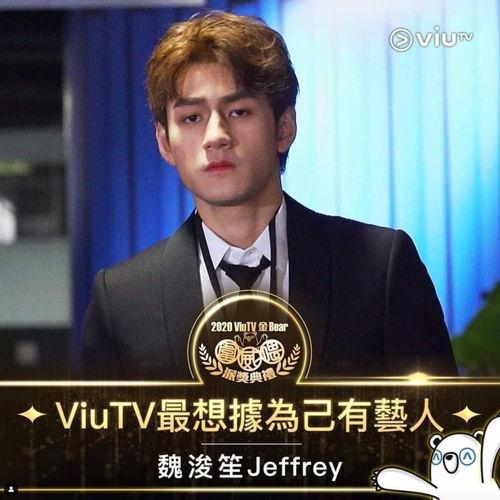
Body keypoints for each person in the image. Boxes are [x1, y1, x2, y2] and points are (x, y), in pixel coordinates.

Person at [82, 11, 457, 380]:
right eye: (192, 118)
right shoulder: (122, 300)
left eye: (239, 111)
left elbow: (440, 416)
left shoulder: (379, 267)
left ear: (284, 127)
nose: (216, 136)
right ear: (165, 142)